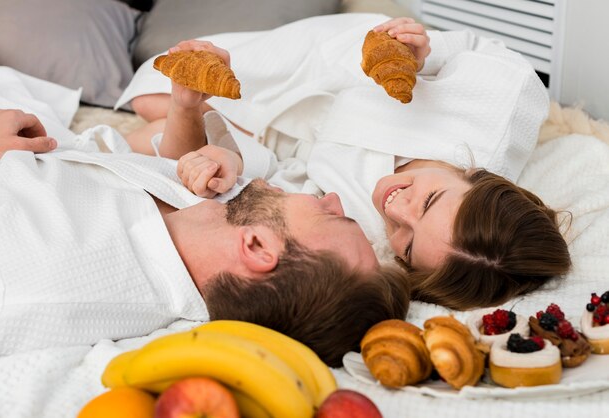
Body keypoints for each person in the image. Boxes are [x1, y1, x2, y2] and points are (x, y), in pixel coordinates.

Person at [120, 14, 572, 310]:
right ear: (475, 175)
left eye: (408, 244)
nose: (394, 209)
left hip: (295, 127)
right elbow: (480, 47)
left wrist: (232, 160)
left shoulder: (367, 231)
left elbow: (285, 181)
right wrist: (424, 53)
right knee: (147, 94)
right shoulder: (502, 105)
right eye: (428, 202)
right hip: (334, 62)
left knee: (153, 124)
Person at [0, 105, 411, 367]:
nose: (333, 199)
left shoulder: (23, 284)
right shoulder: (203, 215)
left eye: (334, 218)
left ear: (258, 247)